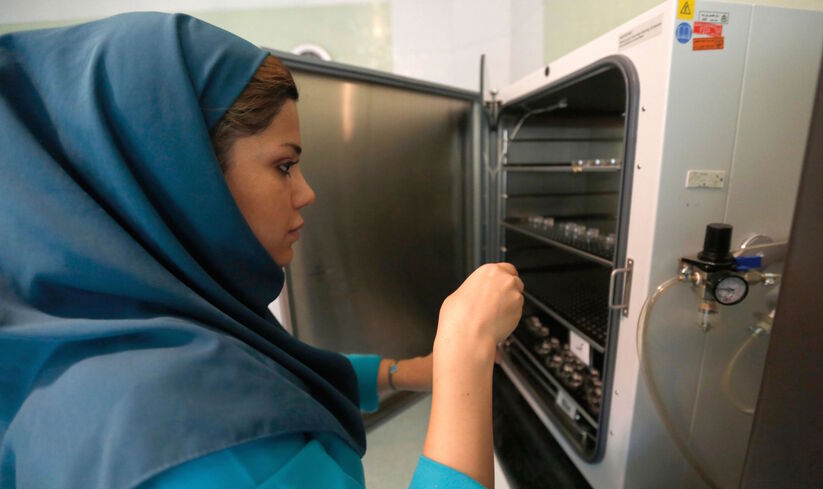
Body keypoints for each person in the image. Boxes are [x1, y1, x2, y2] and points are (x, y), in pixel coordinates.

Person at [0, 12, 524, 489]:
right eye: (283, 166)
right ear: (187, 177)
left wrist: (404, 371)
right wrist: (466, 346)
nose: (306, 192)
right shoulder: (209, 446)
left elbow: (251, 369)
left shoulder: (86, 331)